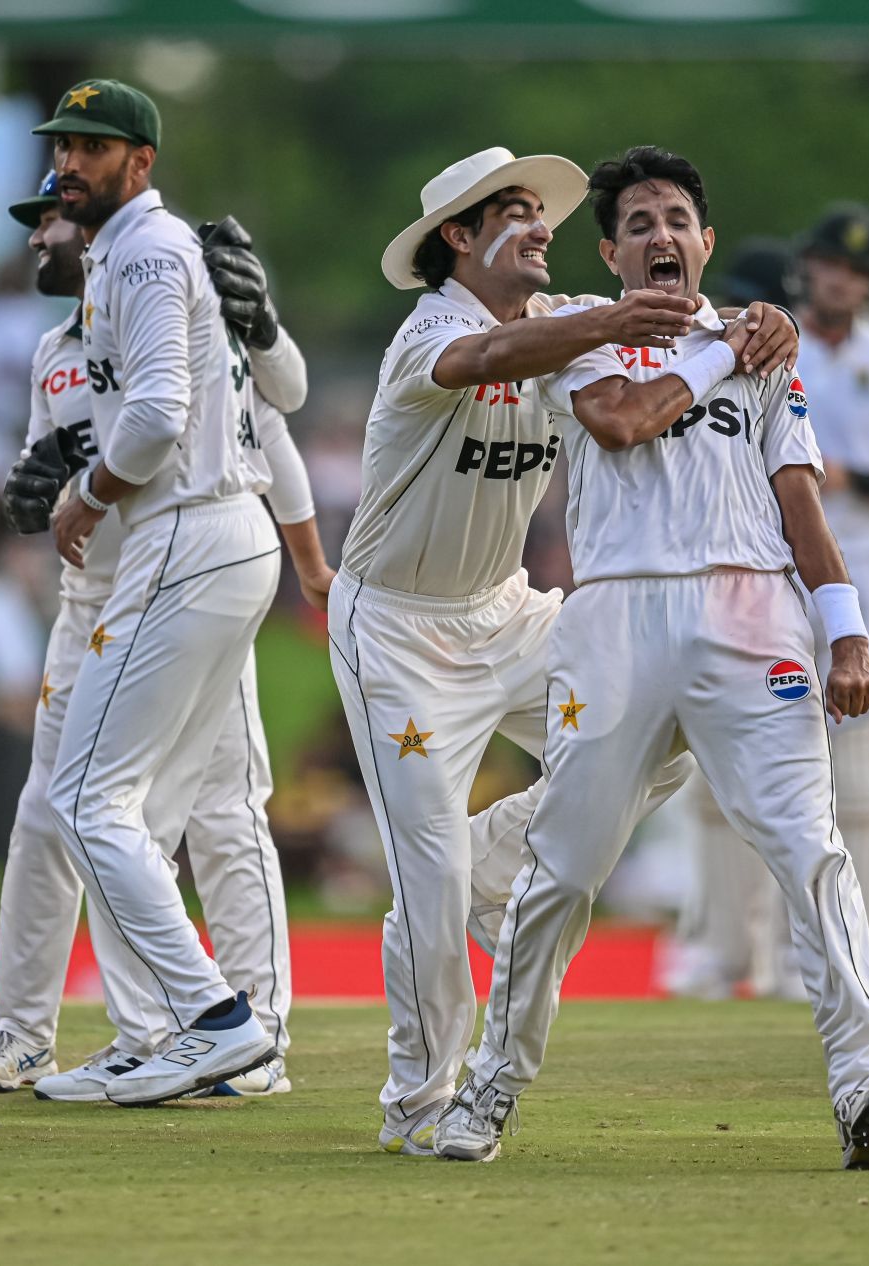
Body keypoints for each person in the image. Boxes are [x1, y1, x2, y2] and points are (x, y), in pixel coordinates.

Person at [438, 147, 869, 1170]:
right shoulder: (583, 334)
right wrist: (721, 356)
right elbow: (619, 424)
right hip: (616, 621)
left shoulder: (763, 349)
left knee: (810, 852)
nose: (662, 236)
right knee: (563, 874)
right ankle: (489, 1093)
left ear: (704, 241)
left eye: (678, 220)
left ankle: (868, 1082)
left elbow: (800, 502)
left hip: (753, 618)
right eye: (641, 223)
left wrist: (849, 631)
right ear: (612, 252)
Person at [333, 147, 796, 1156]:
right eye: (514, 212)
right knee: (425, 877)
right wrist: (612, 323)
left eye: (544, 213)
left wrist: (766, 323)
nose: (542, 226)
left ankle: (491, 865)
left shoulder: (564, 320)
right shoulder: (434, 331)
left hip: (507, 612)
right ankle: (419, 1105)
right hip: (398, 629)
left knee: (661, 723)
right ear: (458, 237)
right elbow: (487, 364)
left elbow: (662, 354)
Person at [0, 175, 327, 1098]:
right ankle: (28, 1032)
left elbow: (269, 432)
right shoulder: (51, 352)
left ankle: (252, 1034)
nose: (37, 238)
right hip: (96, 600)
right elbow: (55, 466)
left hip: (186, 580)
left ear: (91, 228)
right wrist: (32, 488)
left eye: (46, 219)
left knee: (218, 809)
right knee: (62, 813)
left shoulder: (175, 298)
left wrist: (314, 563)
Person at [17, 78, 289, 1105]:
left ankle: (217, 1023)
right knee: (148, 803)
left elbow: (161, 415)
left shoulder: (142, 250)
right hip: (214, 537)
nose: (68, 163)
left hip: (188, 533)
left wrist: (86, 492)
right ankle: (160, 1035)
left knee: (85, 800)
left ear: (141, 161)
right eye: (63, 146)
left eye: (91, 146)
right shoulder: (129, 255)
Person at [672, 206, 869, 997]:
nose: (842, 281)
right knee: (732, 759)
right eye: (831, 265)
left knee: (866, 780)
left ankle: (851, 963)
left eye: (859, 273)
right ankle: (736, 955)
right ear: (807, 267)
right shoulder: (764, 342)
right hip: (763, 572)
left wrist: (862, 479)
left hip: (863, 571)